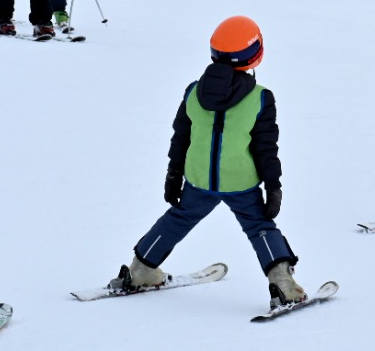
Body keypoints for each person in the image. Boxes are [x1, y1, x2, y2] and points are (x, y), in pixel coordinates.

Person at [110, 17, 306, 308]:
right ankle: (284, 285)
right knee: (260, 227)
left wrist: (174, 174)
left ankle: (140, 270)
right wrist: (273, 186)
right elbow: (266, 149)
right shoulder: (261, 98)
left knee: (177, 219)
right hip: (240, 183)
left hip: (199, 180)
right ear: (255, 54)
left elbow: (181, 137)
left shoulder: (192, 91)